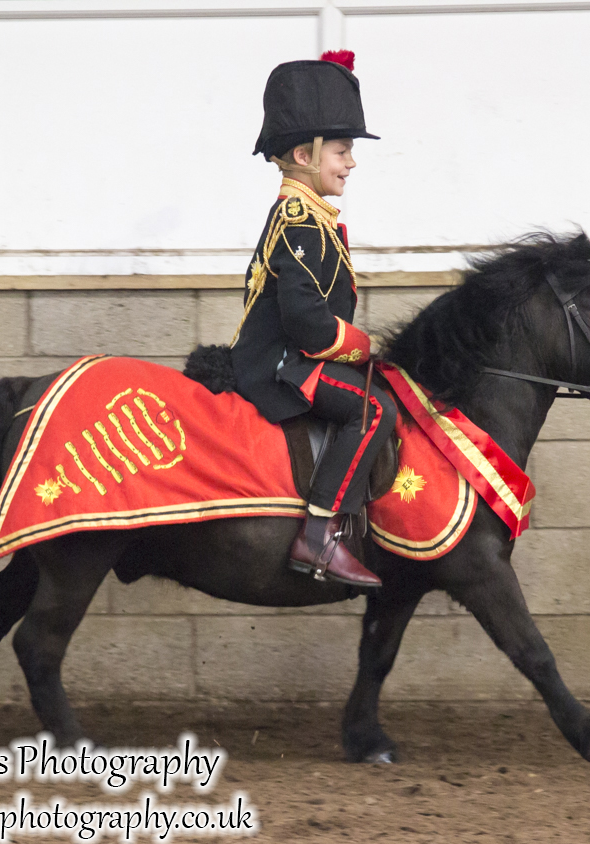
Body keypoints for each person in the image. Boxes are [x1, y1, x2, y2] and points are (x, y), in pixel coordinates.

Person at [230, 51, 398, 588]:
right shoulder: (299, 219)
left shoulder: (311, 216)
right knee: (371, 409)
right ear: (304, 154)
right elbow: (308, 324)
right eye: (343, 151)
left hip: (295, 355)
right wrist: (360, 344)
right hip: (282, 362)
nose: (351, 163)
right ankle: (319, 534)